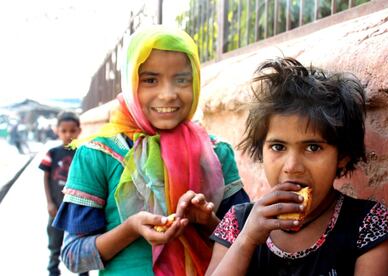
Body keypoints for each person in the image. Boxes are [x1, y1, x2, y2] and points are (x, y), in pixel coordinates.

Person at [52, 25, 249, 275]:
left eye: (181, 80)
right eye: (150, 80)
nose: (168, 94)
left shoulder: (216, 152)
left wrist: (208, 222)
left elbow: (247, 242)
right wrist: (131, 228)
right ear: (130, 83)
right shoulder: (97, 154)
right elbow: (73, 256)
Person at [206, 57, 388, 276]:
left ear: (342, 155)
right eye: (277, 146)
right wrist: (246, 241)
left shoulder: (368, 225)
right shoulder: (239, 223)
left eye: (313, 147)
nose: (292, 167)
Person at [38, 111, 87, 276]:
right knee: (54, 241)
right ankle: (53, 269)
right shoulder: (52, 153)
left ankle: (83, 271)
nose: (68, 135)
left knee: (81, 239)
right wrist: (49, 202)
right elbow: (46, 177)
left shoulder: (84, 152)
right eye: (64, 131)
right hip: (57, 206)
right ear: (57, 131)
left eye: (72, 131)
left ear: (79, 131)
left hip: (78, 207)